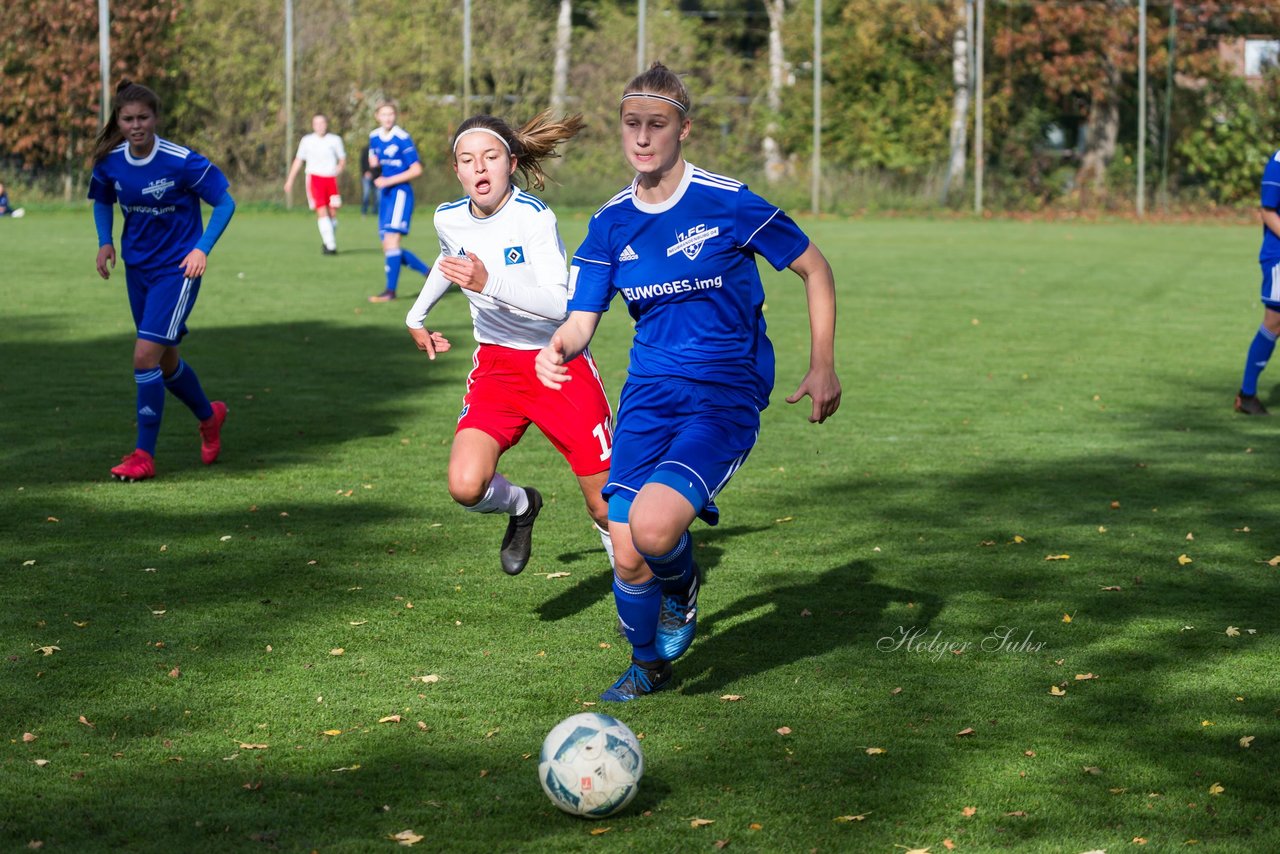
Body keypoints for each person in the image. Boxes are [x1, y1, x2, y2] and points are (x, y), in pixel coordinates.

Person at [535, 63, 842, 701]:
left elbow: (815, 269)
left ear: (683, 129)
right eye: (631, 125)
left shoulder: (728, 201)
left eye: (657, 124)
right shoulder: (610, 223)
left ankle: (683, 590)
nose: (642, 138)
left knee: (650, 530)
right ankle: (648, 664)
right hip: (649, 394)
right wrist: (555, 348)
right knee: (623, 551)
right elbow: (582, 320)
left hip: (723, 392)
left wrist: (822, 363)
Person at [405, 111, 619, 577]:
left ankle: (634, 597)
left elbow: (558, 305)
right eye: (467, 160)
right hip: (497, 369)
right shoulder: (448, 218)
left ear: (511, 162)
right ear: (457, 170)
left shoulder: (534, 217)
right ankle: (523, 505)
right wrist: (416, 316)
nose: (479, 167)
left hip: (557, 364)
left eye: (490, 157)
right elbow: (448, 262)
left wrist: (488, 282)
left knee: (606, 507)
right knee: (465, 485)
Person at [88, 79, 236, 482]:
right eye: (127, 118)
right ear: (118, 120)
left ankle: (143, 455)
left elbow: (224, 202)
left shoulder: (181, 160)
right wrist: (105, 242)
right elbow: (102, 199)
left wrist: (201, 248)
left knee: (143, 357)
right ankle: (210, 417)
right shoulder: (110, 161)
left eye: (143, 117)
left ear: (156, 119)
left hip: (177, 270)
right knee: (165, 360)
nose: (135, 125)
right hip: (138, 270)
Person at [367, 101, 431, 302]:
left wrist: (388, 180)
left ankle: (390, 291)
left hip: (400, 193)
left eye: (391, 114)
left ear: (395, 116)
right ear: (377, 116)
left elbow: (416, 169)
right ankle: (429, 273)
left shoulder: (402, 138)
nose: (388, 118)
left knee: (392, 242)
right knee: (388, 246)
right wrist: (374, 172)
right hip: (385, 195)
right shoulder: (374, 136)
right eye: (383, 114)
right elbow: (373, 160)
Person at [1235, 148, 1280, 415]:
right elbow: (1267, 211)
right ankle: (1247, 394)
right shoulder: (1278, 162)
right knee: (1274, 321)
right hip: (1278, 256)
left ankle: (1246, 395)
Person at [284, 113, 346, 255]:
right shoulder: (307, 141)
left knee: (332, 213)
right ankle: (331, 246)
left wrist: (340, 168)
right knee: (321, 209)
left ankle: (328, 241)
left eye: (322, 123)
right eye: (316, 123)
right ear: (313, 126)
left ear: (326, 124)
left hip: (331, 179)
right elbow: (299, 160)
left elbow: (342, 159)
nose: (320, 126)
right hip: (315, 179)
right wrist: (290, 180)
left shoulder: (335, 140)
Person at [360, 141, 381, 216]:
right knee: (366, 194)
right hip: (367, 177)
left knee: (378, 196)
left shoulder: (380, 150)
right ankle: (364, 211)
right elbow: (362, 162)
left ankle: (375, 212)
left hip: (378, 177)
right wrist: (365, 172)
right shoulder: (366, 150)